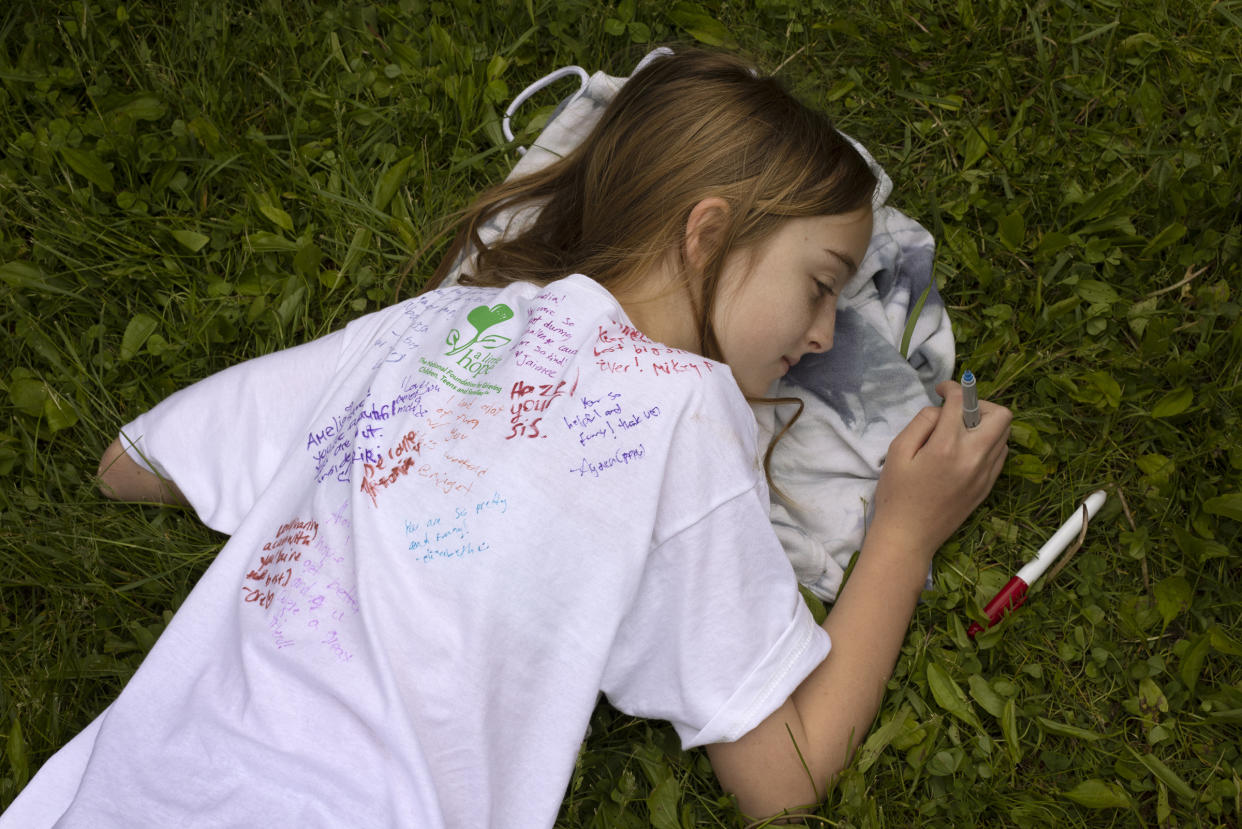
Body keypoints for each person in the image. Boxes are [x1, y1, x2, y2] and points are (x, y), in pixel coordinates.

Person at [1, 49, 1010, 826]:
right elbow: (784, 773)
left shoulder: (428, 326)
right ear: (706, 234)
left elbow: (131, 466)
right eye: (822, 284)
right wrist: (903, 536)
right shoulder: (684, 410)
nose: (827, 334)